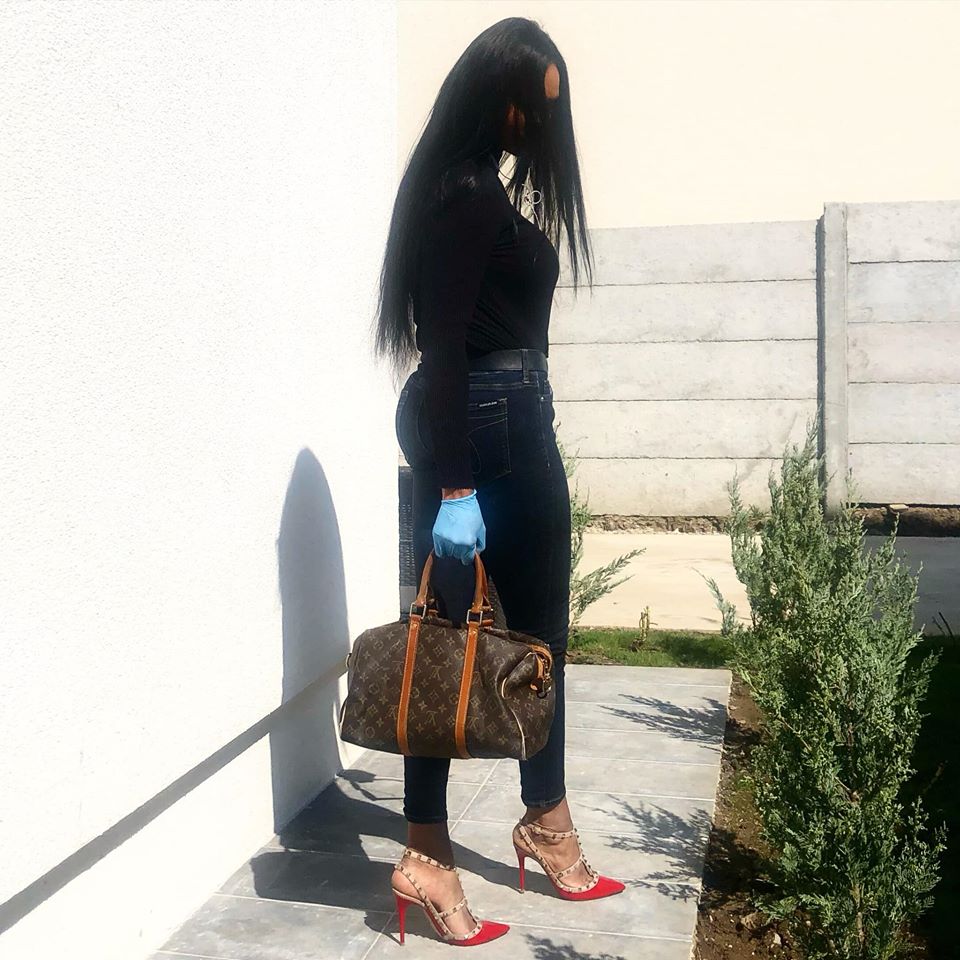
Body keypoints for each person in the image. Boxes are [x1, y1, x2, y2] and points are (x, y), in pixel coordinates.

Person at [371, 16, 624, 946]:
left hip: (490, 421)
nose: (540, 128)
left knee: (457, 642)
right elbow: (442, 347)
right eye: (530, 108)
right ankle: (471, 841)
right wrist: (453, 491)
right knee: (498, 641)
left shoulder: (467, 186)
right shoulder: (466, 195)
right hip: (491, 426)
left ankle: (488, 833)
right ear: (492, 97)